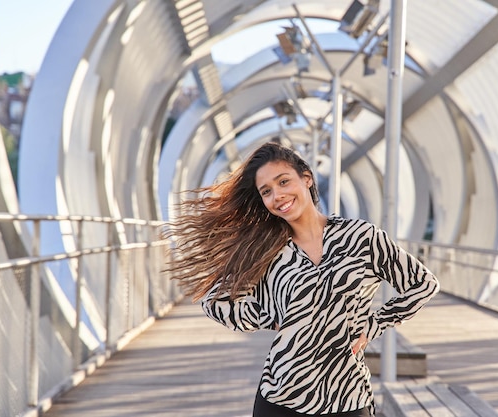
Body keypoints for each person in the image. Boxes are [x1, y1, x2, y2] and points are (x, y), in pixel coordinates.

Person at [164, 141, 439, 416]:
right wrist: (268, 316)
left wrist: (374, 324)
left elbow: (422, 284)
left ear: (306, 178)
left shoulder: (361, 237)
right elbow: (214, 300)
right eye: (267, 192)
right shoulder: (267, 250)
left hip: (348, 396)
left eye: (284, 181)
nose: (278, 196)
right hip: (281, 396)